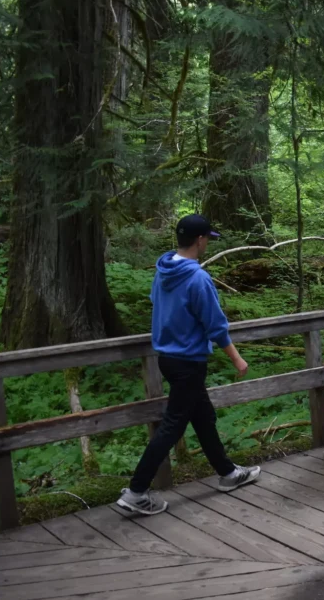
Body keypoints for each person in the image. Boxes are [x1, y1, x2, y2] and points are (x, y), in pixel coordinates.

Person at [117, 214, 260, 515]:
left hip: (168, 359)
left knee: (203, 415)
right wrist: (237, 359)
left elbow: (157, 303)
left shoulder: (163, 270)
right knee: (172, 426)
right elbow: (215, 325)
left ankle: (228, 473)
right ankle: (135, 492)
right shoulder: (198, 278)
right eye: (207, 238)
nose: (207, 242)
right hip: (188, 361)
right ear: (199, 240)